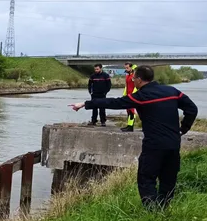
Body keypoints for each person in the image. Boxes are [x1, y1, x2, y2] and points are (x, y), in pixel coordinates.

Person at [70, 65, 198, 210]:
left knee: (146, 179)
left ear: (139, 80)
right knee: (168, 180)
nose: (132, 79)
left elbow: (113, 102)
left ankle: (152, 212)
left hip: (154, 146)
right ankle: (163, 209)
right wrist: (183, 128)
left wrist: (84, 104)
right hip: (174, 144)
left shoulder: (142, 97)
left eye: (134, 77)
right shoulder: (172, 91)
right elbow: (192, 109)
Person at [121, 62, 138, 132]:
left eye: (127, 68)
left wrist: (133, 94)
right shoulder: (127, 76)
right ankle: (128, 125)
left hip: (132, 95)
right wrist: (124, 94)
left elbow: (136, 86)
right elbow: (126, 86)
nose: (126, 69)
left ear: (131, 67)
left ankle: (131, 127)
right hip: (128, 95)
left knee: (131, 111)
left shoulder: (134, 75)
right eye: (125, 68)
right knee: (128, 110)